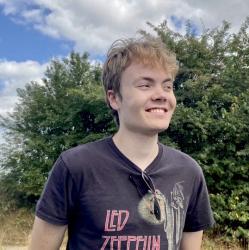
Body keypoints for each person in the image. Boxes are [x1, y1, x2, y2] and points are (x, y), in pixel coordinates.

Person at [29, 36, 214, 250]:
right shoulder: (75, 166)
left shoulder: (188, 172)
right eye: (145, 85)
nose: (162, 95)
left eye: (167, 86)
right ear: (114, 98)